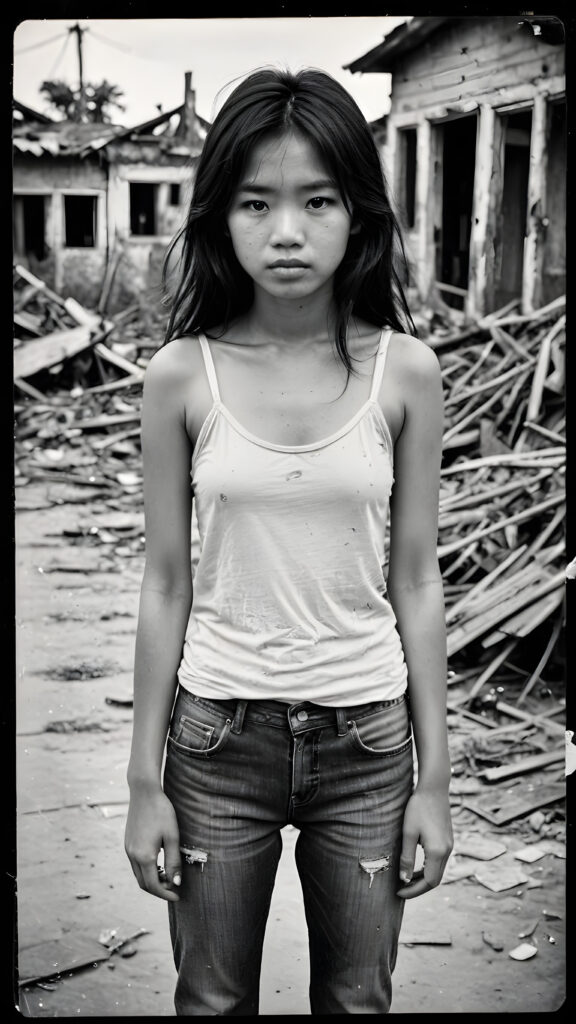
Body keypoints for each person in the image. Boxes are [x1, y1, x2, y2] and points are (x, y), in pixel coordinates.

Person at [124, 66, 453, 1016]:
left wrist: (436, 781)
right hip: (217, 738)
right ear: (220, 218)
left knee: (357, 1001)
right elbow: (164, 584)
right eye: (255, 202)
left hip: (370, 740)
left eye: (318, 200)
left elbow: (419, 581)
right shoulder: (181, 376)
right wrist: (145, 780)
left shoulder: (407, 372)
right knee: (213, 1000)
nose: (286, 231)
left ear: (360, 214)